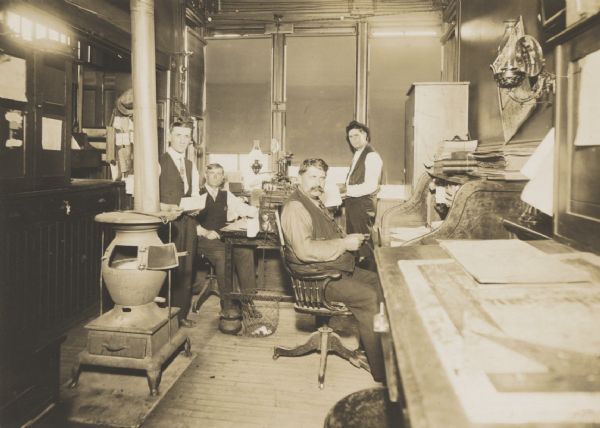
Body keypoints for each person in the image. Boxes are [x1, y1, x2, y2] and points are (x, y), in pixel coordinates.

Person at [280, 158, 385, 382]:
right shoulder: (295, 207)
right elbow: (304, 250)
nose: (318, 182)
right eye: (312, 177)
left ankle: (369, 350)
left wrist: (346, 239)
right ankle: (382, 372)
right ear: (299, 178)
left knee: (382, 283)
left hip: (333, 267)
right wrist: (344, 244)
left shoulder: (314, 201)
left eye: (322, 178)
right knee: (370, 298)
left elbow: (325, 237)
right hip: (317, 279)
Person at [195, 163, 259, 335]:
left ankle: (247, 302)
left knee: (245, 252)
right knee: (224, 258)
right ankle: (228, 307)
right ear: (205, 176)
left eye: (219, 174)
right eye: (212, 173)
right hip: (204, 239)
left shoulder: (225, 194)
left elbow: (240, 207)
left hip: (223, 236)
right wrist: (204, 231)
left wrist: (255, 211)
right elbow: (188, 219)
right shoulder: (197, 193)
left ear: (223, 177)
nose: (215, 177)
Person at [159, 119, 200, 328]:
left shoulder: (192, 166)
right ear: (169, 136)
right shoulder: (158, 162)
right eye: (178, 135)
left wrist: (196, 207)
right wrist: (165, 206)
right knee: (166, 266)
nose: (183, 140)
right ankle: (162, 315)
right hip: (167, 224)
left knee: (186, 268)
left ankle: (181, 314)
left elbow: (193, 195)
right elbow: (146, 198)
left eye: (186, 136)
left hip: (188, 222)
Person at [339, 120, 383, 265]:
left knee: (364, 248)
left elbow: (370, 186)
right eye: (350, 137)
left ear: (365, 135)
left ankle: (370, 279)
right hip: (354, 205)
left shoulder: (372, 156)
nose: (353, 140)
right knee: (356, 244)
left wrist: (346, 190)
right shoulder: (359, 154)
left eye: (356, 135)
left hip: (363, 207)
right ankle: (359, 276)